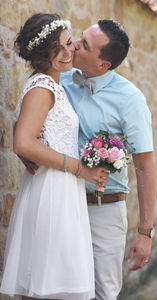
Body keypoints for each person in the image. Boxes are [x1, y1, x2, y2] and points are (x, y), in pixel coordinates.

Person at [21, 19, 156, 300]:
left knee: (103, 293)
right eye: (79, 38)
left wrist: (145, 232)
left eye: (83, 45)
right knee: (54, 289)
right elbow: (31, 119)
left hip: (101, 210)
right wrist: (25, 148)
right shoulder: (60, 77)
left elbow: (144, 167)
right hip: (59, 204)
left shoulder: (130, 100)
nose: (73, 47)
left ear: (103, 64)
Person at [0, 13, 108, 300]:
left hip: (62, 191)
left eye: (69, 44)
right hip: (52, 193)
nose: (66, 52)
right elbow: (22, 142)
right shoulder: (43, 87)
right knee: (47, 286)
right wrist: (79, 168)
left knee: (52, 285)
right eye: (56, 49)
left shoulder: (51, 84)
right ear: (40, 55)